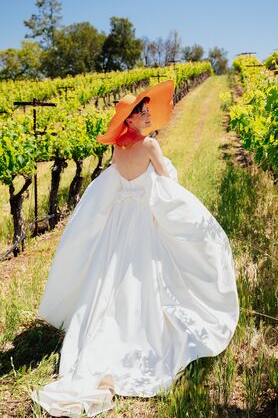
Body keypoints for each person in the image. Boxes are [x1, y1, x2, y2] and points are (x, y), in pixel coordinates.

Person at [30, 79, 240, 417]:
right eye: (139, 112)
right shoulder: (151, 146)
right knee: (145, 277)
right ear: (127, 120)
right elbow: (167, 183)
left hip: (118, 224)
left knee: (109, 278)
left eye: (146, 110)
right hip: (144, 220)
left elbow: (117, 183)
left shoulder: (119, 149)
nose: (146, 115)